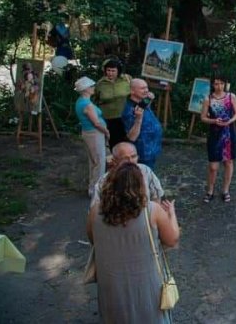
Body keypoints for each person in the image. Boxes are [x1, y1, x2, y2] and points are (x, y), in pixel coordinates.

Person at [87, 162, 180, 323]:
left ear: (111, 184)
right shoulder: (151, 210)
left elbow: (92, 239)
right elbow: (172, 240)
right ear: (140, 185)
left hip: (111, 283)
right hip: (145, 283)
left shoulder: (96, 211)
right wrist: (171, 214)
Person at [200, 74, 236, 203]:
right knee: (213, 166)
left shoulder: (231, 96)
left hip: (229, 134)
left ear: (225, 84)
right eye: (216, 83)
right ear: (212, 84)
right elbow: (203, 117)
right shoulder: (208, 99)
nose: (219, 86)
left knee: (228, 162)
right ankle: (210, 190)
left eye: (222, 83)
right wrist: (214, 120)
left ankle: (225, 190)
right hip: (215, 135)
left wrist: (229, 121)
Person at [91, 142, 165, 207]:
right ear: (114, 161)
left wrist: (153, 217)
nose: (130, 161)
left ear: (138, 157)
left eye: (133, 156)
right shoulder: (104, 181)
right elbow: (95, 209)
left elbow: (157, 195)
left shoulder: (146, 171)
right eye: (125, 158)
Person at [74, 76, 110, 198]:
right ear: (85, 89)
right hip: (94, 134)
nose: (93, 88)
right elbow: (96, 123)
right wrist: (106, 132)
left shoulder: (81, 101)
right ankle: (96, 190)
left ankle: (93, 187)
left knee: (94, 161)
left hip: (88, 133)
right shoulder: (87, 105)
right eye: (91, 86)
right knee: (99, 162)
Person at [121, 79, 163, 170]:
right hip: (143, 154)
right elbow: (131, 137)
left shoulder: (141, 102)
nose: (146, 90)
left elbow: (144, 105)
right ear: (132, 91)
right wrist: (138, 119)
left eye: (147, 87)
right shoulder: (129, 110)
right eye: (142, 88)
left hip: (151, 150)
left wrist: (149, 99)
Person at [94, 57, 132, 147]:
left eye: (113, 71)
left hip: (125, 115)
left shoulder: (126, 79)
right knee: (113, 140)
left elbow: (134, 92)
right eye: (108, 70)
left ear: (118, 71)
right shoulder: (100, 84)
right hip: (108, 117)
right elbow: (95, 99)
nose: (110, 73)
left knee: (126, 139)